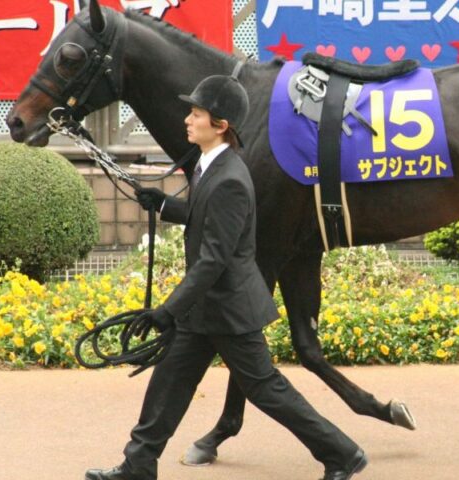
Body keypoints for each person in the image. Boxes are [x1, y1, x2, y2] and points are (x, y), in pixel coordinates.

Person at [85, 75, 367, 480]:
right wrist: (165, 205)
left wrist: (168, 310)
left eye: (196, 114)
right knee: (169, 382)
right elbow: (208, 218)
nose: (188, 119)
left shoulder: (231, 178)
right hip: (207, 309)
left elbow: (215, 257)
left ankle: (342, 453)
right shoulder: (210, 165)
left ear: (220, 125)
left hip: (230, 308)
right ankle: (138, 464)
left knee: (266, 389)